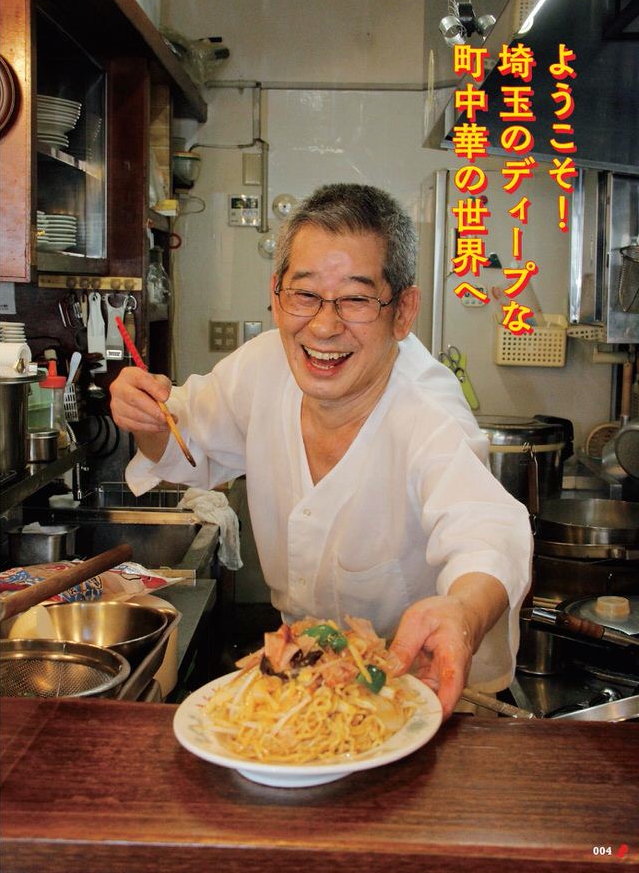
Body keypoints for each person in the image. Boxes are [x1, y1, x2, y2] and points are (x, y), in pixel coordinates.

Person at [110, 183, 531, 716]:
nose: (325, 326)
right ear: (277, 292)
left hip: (420, 691)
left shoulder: (428, 411)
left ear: (403, 311)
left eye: (356, 298)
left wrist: (462, 614)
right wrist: (145, 415)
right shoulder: (262, 366)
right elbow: (184, 436)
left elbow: (486, 530)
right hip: (301, 678)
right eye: (305, 294)